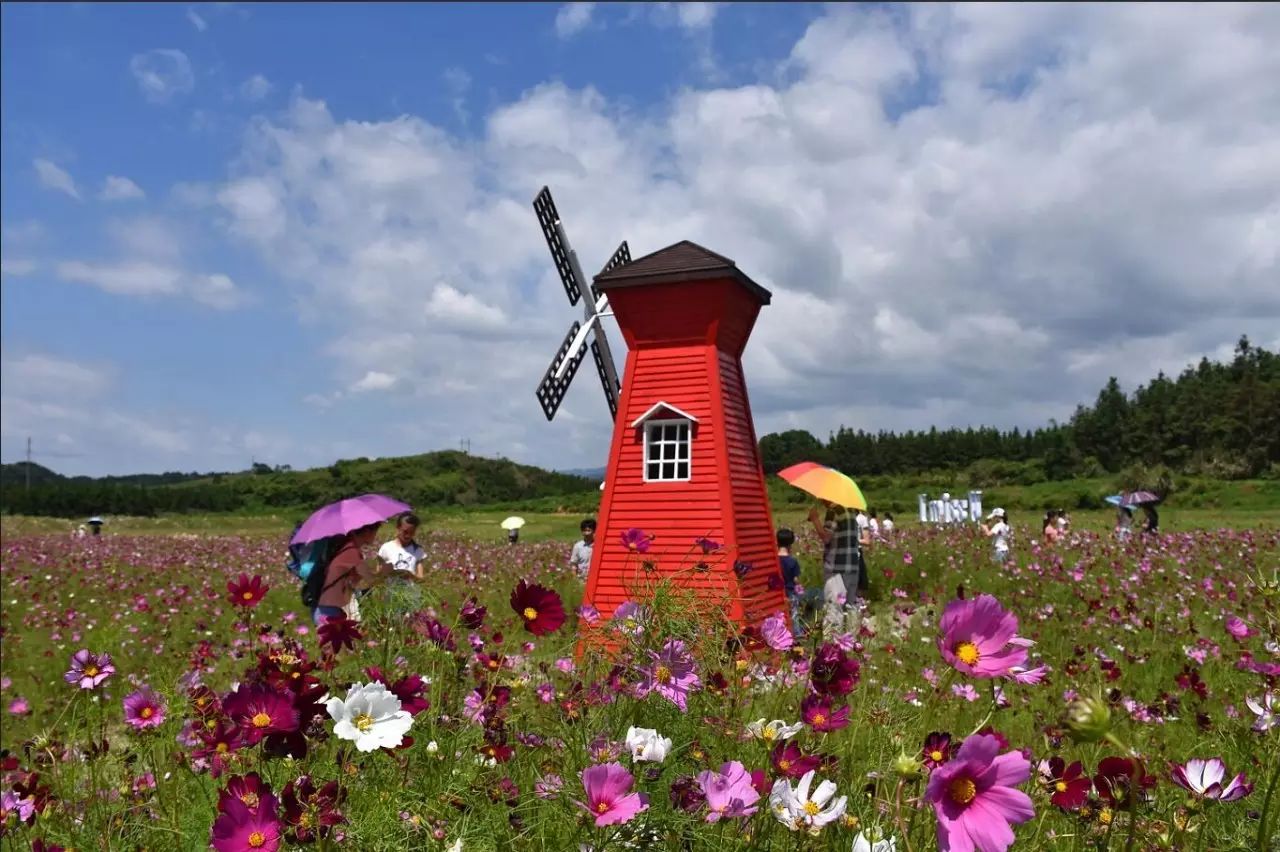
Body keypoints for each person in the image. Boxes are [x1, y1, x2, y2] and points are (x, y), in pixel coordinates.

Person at [809, 500, 863, 635]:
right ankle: (852, 643)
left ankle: (832, 649)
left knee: (834, 609)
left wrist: (815, 520)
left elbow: (826, 537)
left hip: (836, 569)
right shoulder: (850, 512)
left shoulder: (833, 512)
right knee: (851, 608)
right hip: (852, 567)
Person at [314, 522, 382, 625]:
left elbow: (355, 581)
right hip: (328, 612)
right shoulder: (352, 552)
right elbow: (370, 579)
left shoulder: (345, 547)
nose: (375, 537)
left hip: (328, 609)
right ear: (367, 532)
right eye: (375, 532)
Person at [375, 513, 427, 615]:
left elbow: (421, 579)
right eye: (405, 532)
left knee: (409, 626)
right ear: (398, 528)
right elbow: (378, 576)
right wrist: (389, 572)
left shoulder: (418, 551)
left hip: (411, 597)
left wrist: (410, 575)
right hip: (391, 596)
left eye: (412, 532)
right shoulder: (386, 548)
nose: (408, 535)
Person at [777, 528, 804, 638]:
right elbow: (795, 580)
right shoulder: (792, 561)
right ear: (791, 543)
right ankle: (796, 634)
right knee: (794, 614)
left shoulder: (775, 560)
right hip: (791, 591)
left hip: (779, 593)